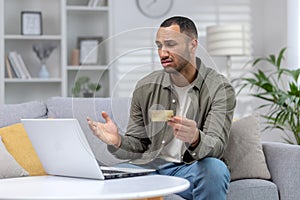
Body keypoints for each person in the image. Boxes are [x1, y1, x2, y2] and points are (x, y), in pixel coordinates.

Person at [87, 16, 236, 200]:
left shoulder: (219, 88)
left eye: (171, 44)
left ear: (192, 45)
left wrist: (196, 137)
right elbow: (138, 144)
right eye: (159, 45)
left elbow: (217, 147)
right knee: (109, 179)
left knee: (215, 169)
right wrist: (117, 140)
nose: (163, 53)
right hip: (151, 168)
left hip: (190, 168)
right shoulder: (145, 87)